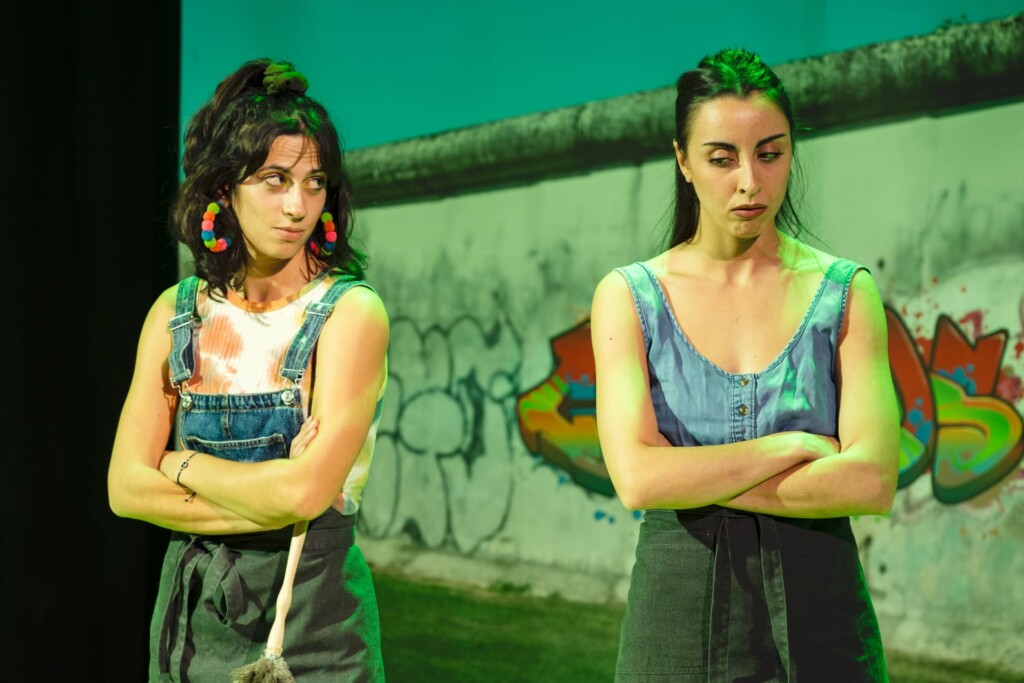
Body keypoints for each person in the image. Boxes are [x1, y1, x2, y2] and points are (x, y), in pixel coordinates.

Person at [590, 48, 899, 681]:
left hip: (823, 611)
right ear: (683, 161)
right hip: (678, 610)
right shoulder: (630, 297)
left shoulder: (845, 292)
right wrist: (787, 447)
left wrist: (691, 477)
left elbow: (871, 481)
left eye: (770, 153)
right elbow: (638, 480)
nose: (750, 182)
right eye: (721, 157)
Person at [108, 58, 388, 681]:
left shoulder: (349, 312)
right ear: (223, 189)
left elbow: (304, 495)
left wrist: (178, 465)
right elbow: (124, 489)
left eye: (315, 182)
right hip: (188, 620)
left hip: (310, 625)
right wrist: (274, 497)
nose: (297, 206)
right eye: (274, 180)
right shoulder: (176, 312)